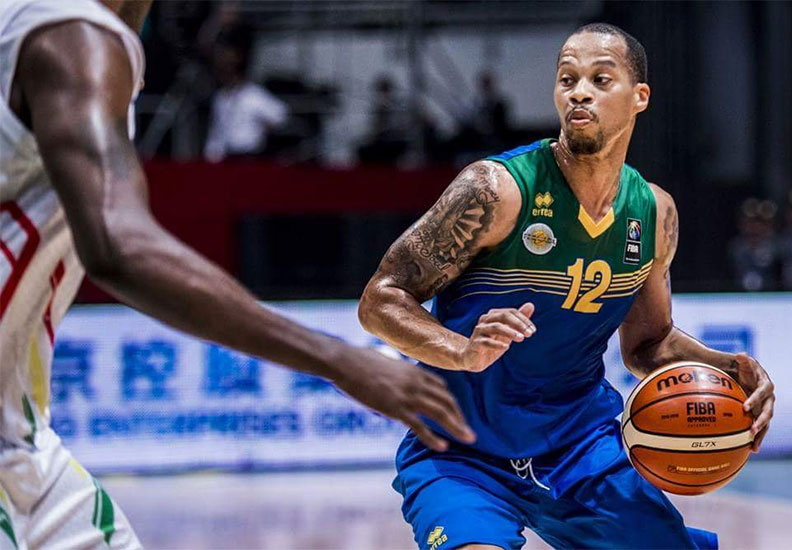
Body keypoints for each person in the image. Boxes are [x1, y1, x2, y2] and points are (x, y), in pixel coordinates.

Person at [0, 1, 473, 548]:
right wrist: (339, 359)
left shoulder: (73, 36)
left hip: (24, 441)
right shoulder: (71, 35)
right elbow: (117, 244)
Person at [359, 22, 775, 550]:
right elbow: (381, 299)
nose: (580, 91)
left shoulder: (653, 212)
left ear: (639, 97)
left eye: (601, 79)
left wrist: (727, 368)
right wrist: (462, 351)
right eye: (567, 79)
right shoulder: (496, 190)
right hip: (459, 449)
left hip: (579, 447)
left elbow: (648, 345)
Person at [203, 32, 289, 161]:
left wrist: (264, 129)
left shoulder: (253, 95)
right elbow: (217, 131)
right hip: (227, 156)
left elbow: (280, 114)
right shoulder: (220, 97)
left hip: (250, 156)